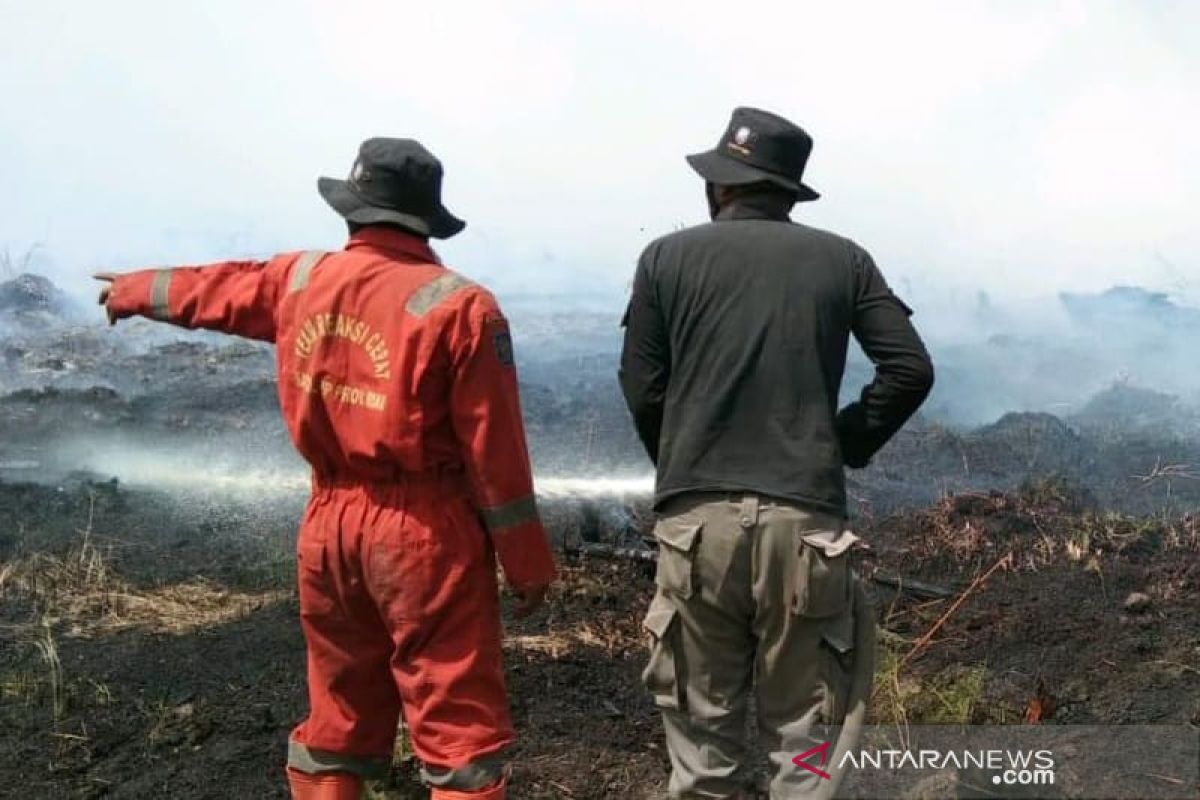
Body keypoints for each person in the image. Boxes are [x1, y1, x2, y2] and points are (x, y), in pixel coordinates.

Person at [95, 138, 557, 800]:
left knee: (340, 718)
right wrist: (528, 561)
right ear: (426, 219)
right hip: (424, 538)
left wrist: (135, 289)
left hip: (328, 533)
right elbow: (496, 452)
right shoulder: (461, 307)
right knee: (459, 737)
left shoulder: (301, 280)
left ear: (351, 212)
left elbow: (218, 290)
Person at [619, 107, 934, 799]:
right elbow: (909, 369)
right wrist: (846, 440)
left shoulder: (665, 259)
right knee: (808, 753)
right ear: (788, 192)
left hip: (697, 530)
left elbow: (643, 388)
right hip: (808, 534)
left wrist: (681, 468)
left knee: (704, 761)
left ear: (720, 186)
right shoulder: (843, 259)